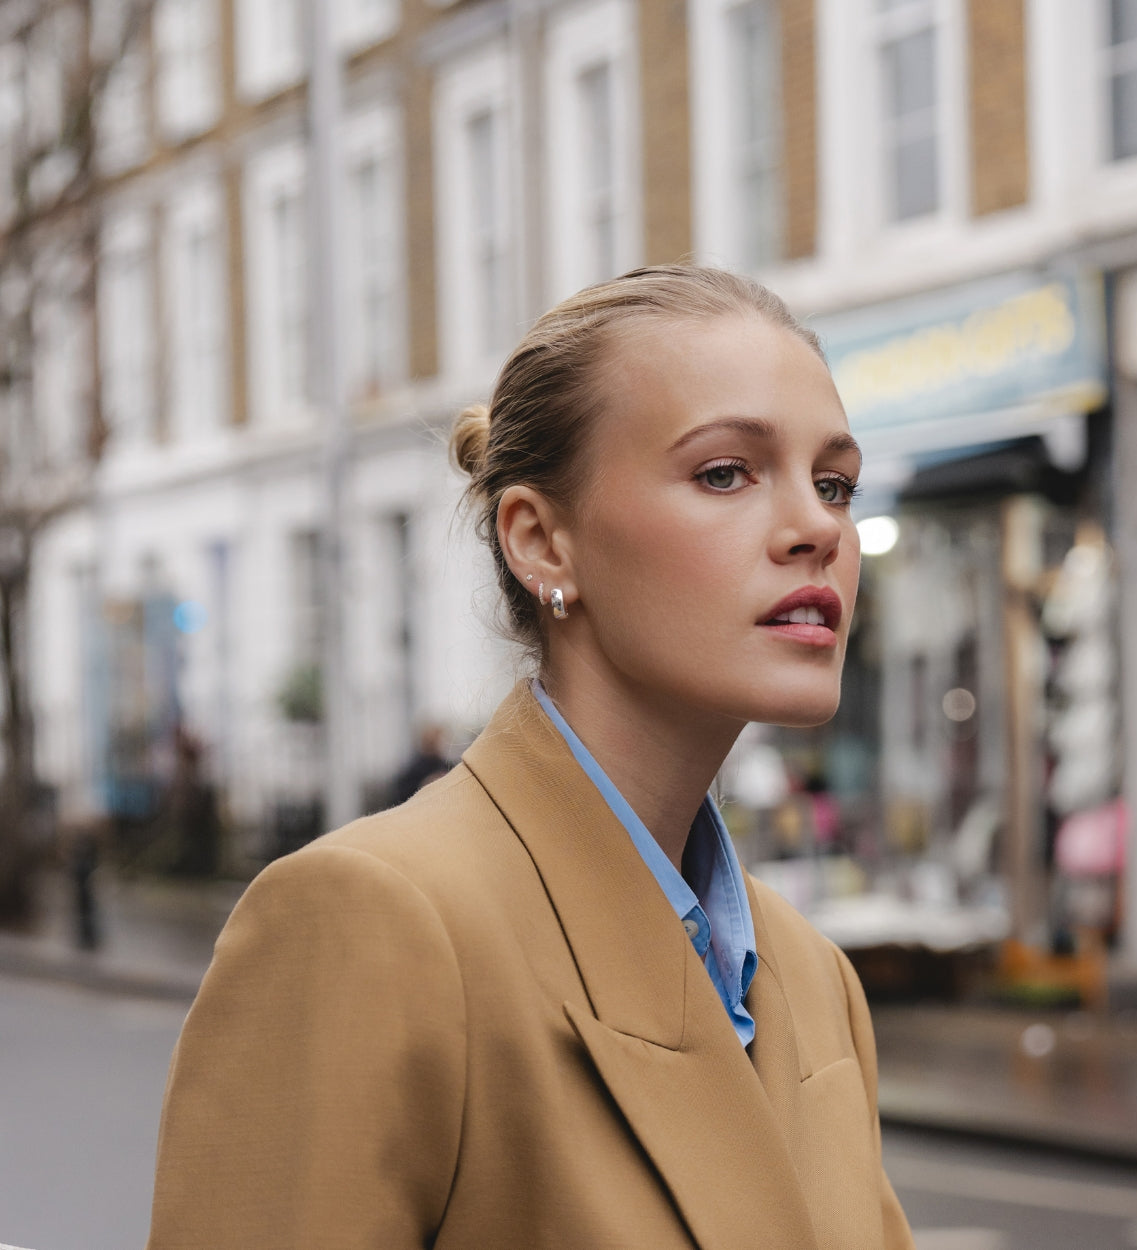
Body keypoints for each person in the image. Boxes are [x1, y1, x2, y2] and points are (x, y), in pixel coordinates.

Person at [146, 265, 914, 1250]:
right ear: (542, 541)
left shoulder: (811, 981)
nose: (816, 526)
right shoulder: (371, 925)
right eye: (725, 471)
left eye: (834, 482)